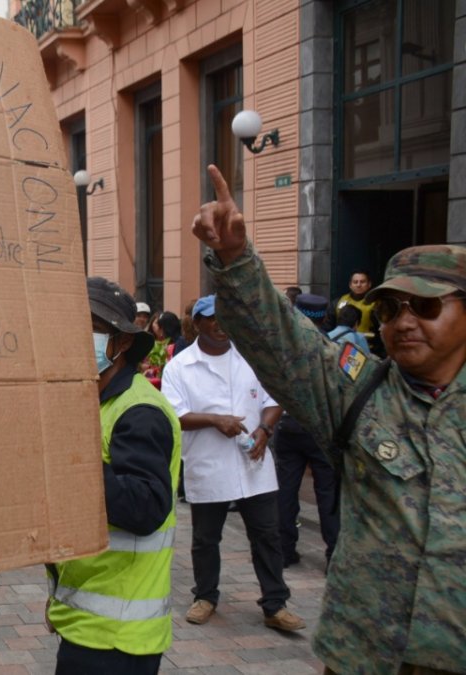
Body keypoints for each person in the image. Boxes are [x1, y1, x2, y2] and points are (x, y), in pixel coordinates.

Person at [192, 163, 466, 673]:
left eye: (426, 307)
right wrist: (234, 257)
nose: (404, 321)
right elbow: (282, 341)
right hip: (362, 655)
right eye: (389, 309)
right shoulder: (358, 393)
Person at [47, 278, 181, 674]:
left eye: (89, 328)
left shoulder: (139, 412)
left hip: (117, 639)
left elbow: (145, 507)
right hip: (87, 624)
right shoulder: (97, 401)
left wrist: (72, 463)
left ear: (121, 343)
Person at [160, 296, 304, 633]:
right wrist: (213, 420)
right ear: (197, 324)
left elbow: (273, 399)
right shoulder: (180, 367)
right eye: (212, 319)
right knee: (206, 538)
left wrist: (265, 429)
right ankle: (205, 596)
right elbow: (174, 414)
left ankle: (275, 604)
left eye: (226, 317)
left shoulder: (252, 358)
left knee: (267, 535)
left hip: (254, 463)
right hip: (209, 465)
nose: (220, 324)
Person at [273, 294, 340, 570]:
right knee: (328, 492)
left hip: (287, 425)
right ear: (324, 318)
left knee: (286, 490)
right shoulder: (332, 349)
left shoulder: (284, 348)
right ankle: (334, 554)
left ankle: (285, 550)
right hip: (321, 428)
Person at [335, 269, 376, 337]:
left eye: (362, 282)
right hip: (342, 345)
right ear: (350, 285)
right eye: (355, 282)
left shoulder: (376, 304)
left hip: (368, 345)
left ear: (369, 284)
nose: (358, 285)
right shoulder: (338, 302)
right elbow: (329, 326)